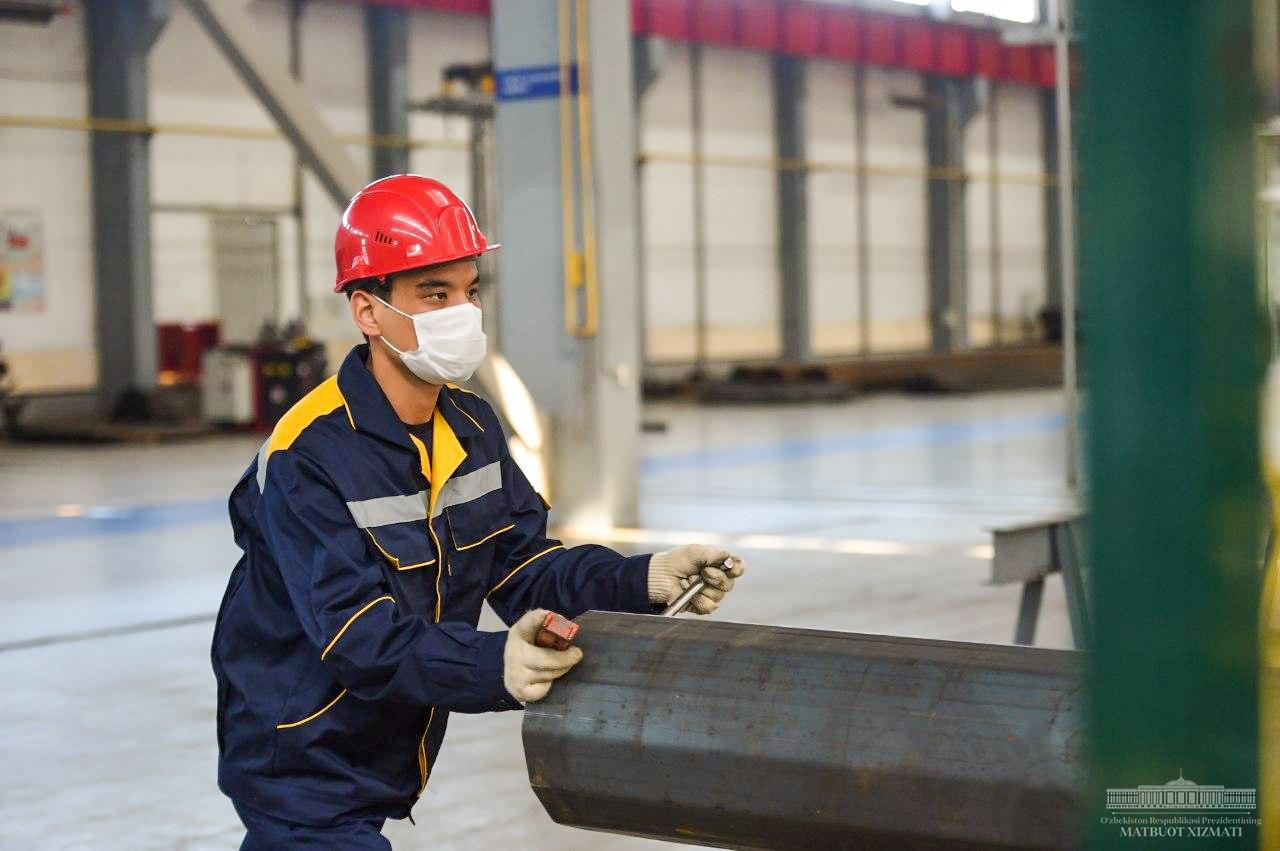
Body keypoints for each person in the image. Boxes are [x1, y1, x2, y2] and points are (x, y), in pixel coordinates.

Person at [211, 174, 746, 849]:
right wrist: (496, 664)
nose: (462, 313)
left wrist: (642, 578)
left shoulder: (470, 427)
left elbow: (523, 569)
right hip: (299, 759)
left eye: (469, 292)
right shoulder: (308, 454)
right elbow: (357, 636)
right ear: (368, 311)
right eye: (434, 294)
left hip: (383, 749)